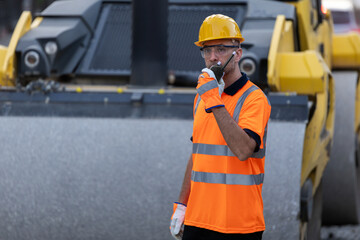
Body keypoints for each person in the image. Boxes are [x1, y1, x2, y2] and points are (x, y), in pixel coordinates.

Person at [169, 14, 271, 240]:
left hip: (239, 226)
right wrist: (182, 204)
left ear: (238, 54)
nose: (213, 57)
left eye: (221, 49)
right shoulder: (203, 97)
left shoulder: (254, 99)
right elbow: (197, 153)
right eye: (207, 50)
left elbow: (244, 150)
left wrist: (214, 101)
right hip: (198, 221)